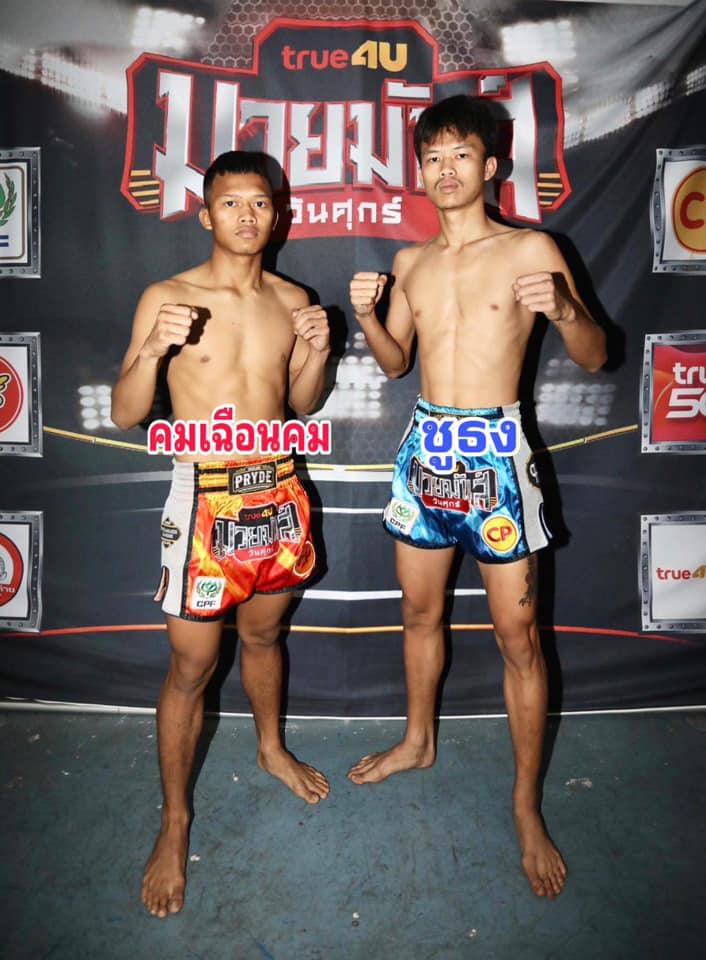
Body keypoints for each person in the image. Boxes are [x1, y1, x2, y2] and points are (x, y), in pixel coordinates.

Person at [349, 95, 607, 900]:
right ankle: (418, 740)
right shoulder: (412, 261)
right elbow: (396, 362)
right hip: (426, 453)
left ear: (490, 165)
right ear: (420, 171)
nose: (446, 169)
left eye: (461, 154)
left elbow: (596, 356)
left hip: (497, 454)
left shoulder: (532, 248)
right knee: (418, 614)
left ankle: (525, 806)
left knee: (518, 638)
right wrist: (367, 317)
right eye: (432, 157)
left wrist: (567, 310)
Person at [112, 150, 331, 919]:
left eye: (260, 203)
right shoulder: (168, 296)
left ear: (277, 215)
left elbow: (302, 403)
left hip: (277, 491)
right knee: (192, 665)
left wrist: (317, 350)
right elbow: (126, 413)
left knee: (266, 637)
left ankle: (270, 748)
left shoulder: (293, 298)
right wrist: (151, 349)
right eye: (231, 203)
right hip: (203, 495)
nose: (246, 215)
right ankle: (175, 821)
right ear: (206, 214)